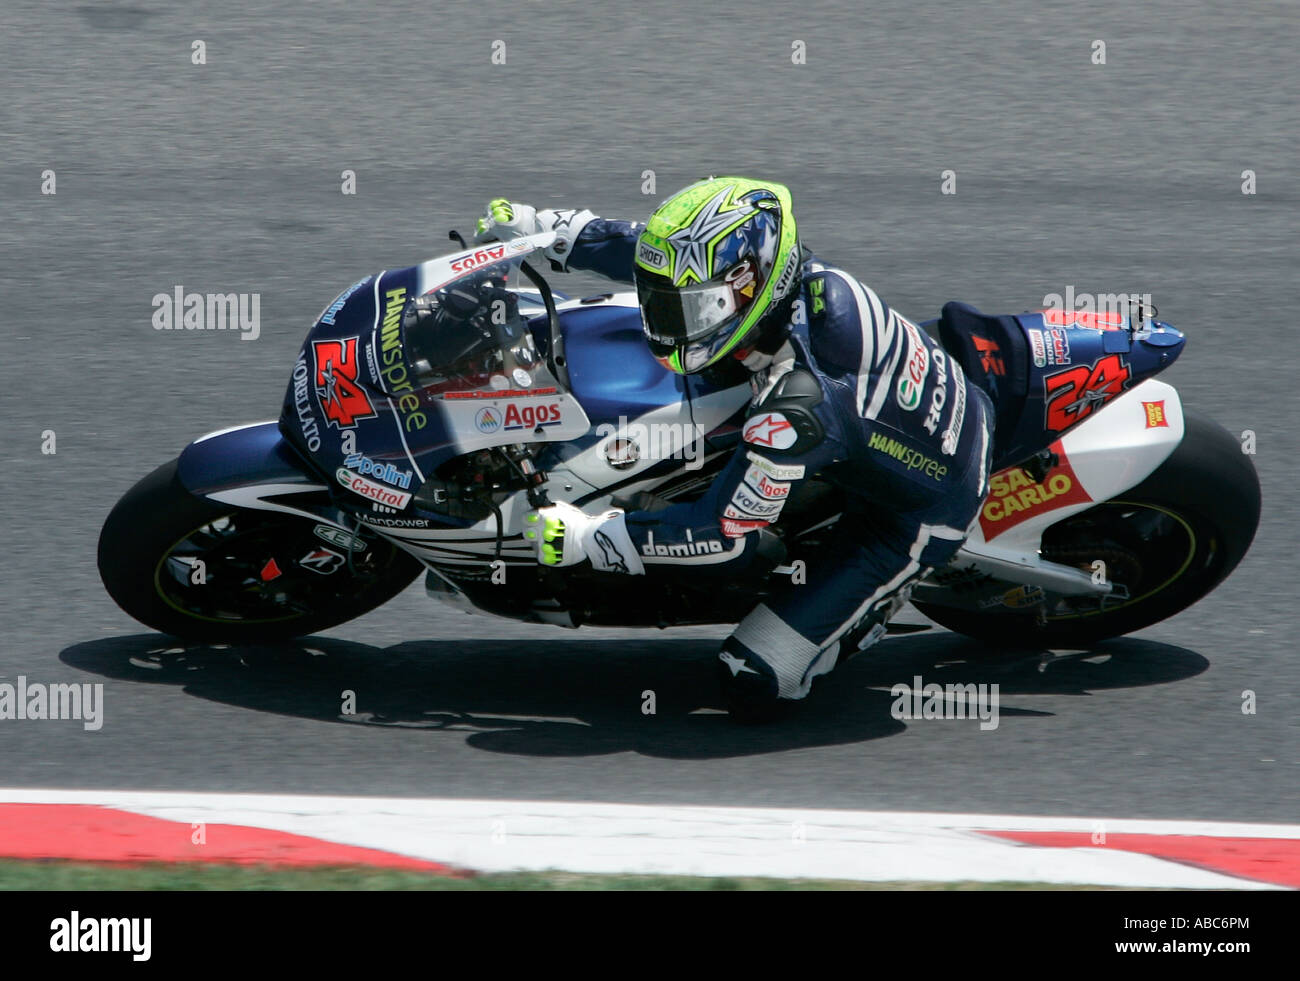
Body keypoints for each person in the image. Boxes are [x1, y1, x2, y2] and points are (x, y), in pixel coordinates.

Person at [473, 177, 994, 722]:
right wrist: (538, 229)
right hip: (889, 407)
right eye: (667, 306)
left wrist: (588, 536)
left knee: (754, 679)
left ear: (753, 286)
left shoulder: (794, 409)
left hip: (914, 513)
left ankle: (866, 611)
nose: (671, 325)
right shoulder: (787, 272)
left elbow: (721, 537)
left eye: (692, 312)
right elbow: (643, 251)